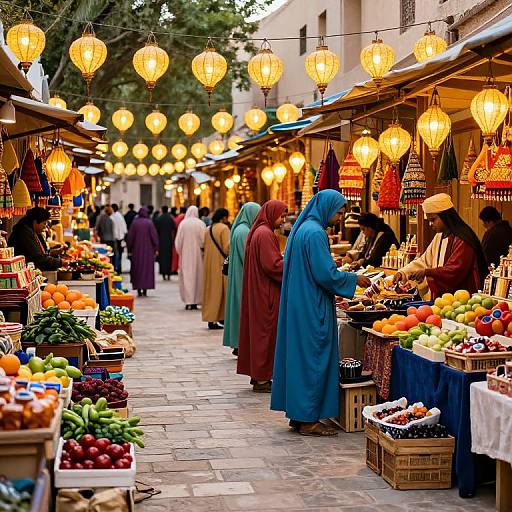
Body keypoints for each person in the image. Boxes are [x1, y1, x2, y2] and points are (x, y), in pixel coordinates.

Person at [270, 190, 371, 436]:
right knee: (314, 358)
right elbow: (325, 275)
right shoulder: (315, 233)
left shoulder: (303, 228)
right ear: (326, 208)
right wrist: (354, 279)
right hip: (312, 305)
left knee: (300, 358)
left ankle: (299, 413)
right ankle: (308, 420)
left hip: (300, 302)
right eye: (338, 211)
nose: (340, 217)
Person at [394, 193, 487, 299]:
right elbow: (424, 261)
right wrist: (403, 273)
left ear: (446, 217)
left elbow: (454, 271)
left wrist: (427, 272)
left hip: (461, 300)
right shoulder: (439, 236)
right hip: (441, 300)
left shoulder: (462, 239)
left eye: (433, 220)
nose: (430, 224)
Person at [237, 200, 288, 393]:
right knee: (265, 336)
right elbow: (273, 265)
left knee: (260, 334)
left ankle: (259, 376)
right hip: (266, 293)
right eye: (281, 216)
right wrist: (292, 264)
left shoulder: (259, 231)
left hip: (259, 290)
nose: (283, 220)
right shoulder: (265, 234)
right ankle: (261, 378)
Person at [223, 202, 260, 355]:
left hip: (238, 274)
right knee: (242, 309)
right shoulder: (244, 231)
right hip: (242, 277)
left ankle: (239, 343)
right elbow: (248, 257)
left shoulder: (239, 229)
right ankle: (240, 343)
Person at [9, 207, 68, 271]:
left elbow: (40, 253)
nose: (45, 226)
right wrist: (60, 262)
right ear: (35, 222)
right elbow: (38, 258)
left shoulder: (33, 232)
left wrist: (53, 252)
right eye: (44, 223)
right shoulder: (24, 233)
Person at [202, 208, 230, 330]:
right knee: (220, 292)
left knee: (211, 291)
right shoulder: (224, 229)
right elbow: (227, 248)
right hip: (220, 264)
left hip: (209, 264)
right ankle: (220, 317)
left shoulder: (208, 230)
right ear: (223, 218)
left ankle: (211, 318)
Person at [174, 206, 206, 310]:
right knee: (197, 278)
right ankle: (195, 301)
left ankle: (188, 301)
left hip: (185, 256)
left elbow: (178, 242)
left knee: (187, 278)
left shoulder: (183, 224)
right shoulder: (201, 224)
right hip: (198, 257)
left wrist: (181, 252)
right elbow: (204, 241)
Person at [126, 207, 159, 297]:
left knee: (137, 269)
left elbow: (130, 238)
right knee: (147, 270)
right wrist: (156, 248)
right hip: (148, 251)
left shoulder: (135, 223)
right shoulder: (149, 223)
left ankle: (138, 289)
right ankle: (145, 290)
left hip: (136, 251)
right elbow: (154, 237)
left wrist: (129, 249)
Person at [154, 205, 177, 281]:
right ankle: (168, 273)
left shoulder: (159, 218)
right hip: (169, 240)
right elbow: (175, 228)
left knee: (162, 258)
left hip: (161, 240)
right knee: (169, 257)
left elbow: (155, 230)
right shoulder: (170, 218)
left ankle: (163, 273)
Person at [111, 204, 127, 274]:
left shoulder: (112, 217)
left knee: (115, 255)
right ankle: (119, 270)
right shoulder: (120, 216)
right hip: (121, 238)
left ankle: (116, 269)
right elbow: (125, 229)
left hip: (115, 239)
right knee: (119, 255)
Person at [171, 207, 187, 275]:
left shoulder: (177, 217)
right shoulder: (183, 217)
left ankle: (174, 268)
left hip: (176, 236)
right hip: (182, 238)